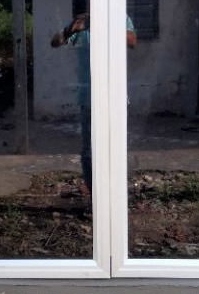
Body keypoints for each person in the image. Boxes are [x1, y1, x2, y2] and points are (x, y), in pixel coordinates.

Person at [51, 13, 136, 194]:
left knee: (116, 145)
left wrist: (106, 27)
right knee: (90, 148)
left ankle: (116, 192)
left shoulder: (119, 16)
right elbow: (55, 42)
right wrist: (71, 29)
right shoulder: (83, 22)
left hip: (114, 96)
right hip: (89, 97)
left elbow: (132, 41)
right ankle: (93, 192)